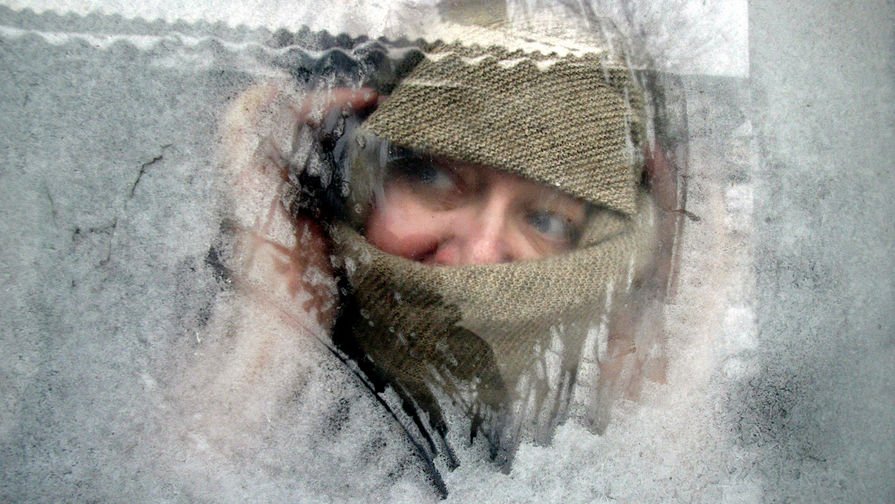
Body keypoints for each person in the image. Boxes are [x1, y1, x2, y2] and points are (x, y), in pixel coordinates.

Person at [183, 28, 678, 498]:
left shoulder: (563, 431)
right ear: (347, 182)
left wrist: (665, 333)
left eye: (546, 220)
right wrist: (273, 329)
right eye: (433, 177)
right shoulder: (175, 328)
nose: (481, 254)